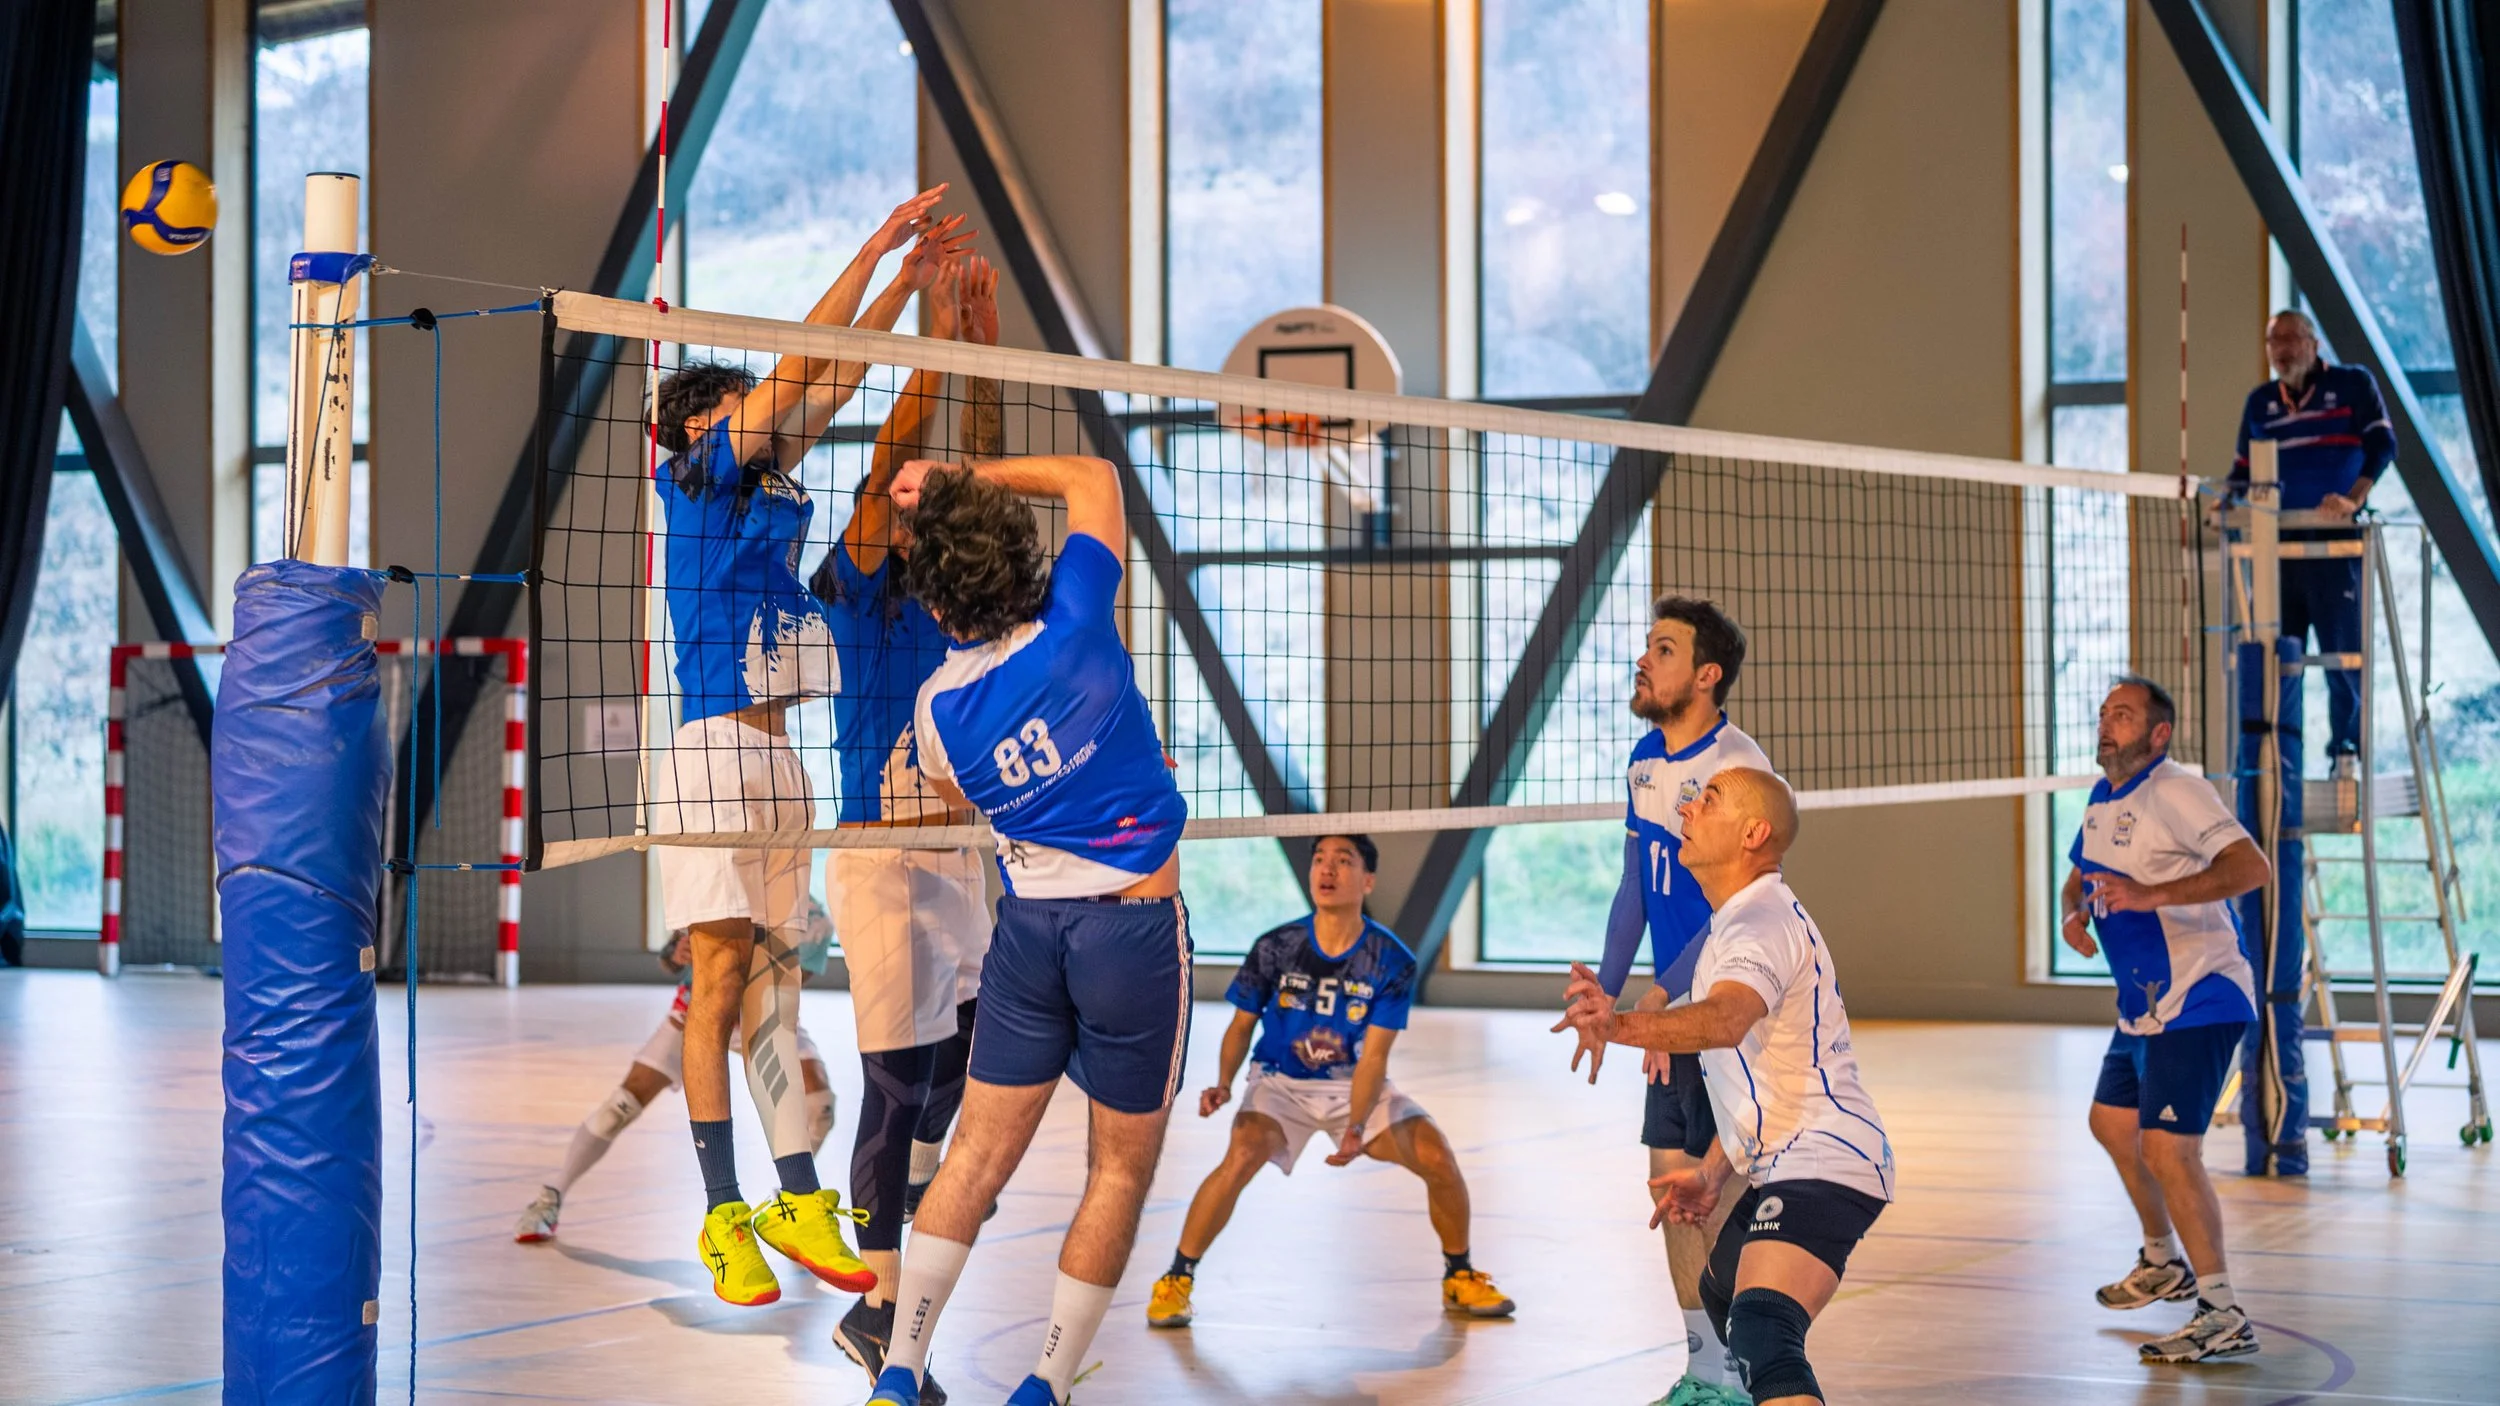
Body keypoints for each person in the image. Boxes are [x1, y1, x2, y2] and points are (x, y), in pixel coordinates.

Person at [649, 184, 972, 1307]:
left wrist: (914, 295)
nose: (775, 415)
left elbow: (834, 373)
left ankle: (797, 1192)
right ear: (700, 424)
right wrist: (879, 244)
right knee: (719, 975)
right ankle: (721, 1209)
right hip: (710, 752)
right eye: (744, 406)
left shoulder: (769, 485)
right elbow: (806, 366)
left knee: (778, 993)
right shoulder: (690, 478)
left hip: (780, 759)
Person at [867, 452, 1192, 1406]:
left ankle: (900, 1371)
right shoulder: (1081, 627)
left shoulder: (939, 708)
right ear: (1027, 564)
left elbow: (953, 790)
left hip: (1029, 935)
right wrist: (959, 477)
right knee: (1119, 1170)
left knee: (970, 1158)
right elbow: (1093, 476)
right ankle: (1045, 1381)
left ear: (936, 607)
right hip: (1131, 934)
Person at [812, 257, 1005, 1402]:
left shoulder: (958, 596)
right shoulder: (856, 584)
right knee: (895, 1083)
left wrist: (978, 346)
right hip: (877, 850)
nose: (911, 499)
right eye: (896, 495)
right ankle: (877, 1309)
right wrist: (932, 348)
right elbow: (895, 468)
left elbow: (964, 477)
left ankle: (884, 1293)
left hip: (962, 852)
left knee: (969, 1071)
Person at [1557, 768, 1893, 1406]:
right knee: (1719, 1292)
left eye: (1708, 800)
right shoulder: (1731, 923)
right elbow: (1760, 1077)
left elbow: (1727, 1018)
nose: (1688, 807)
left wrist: (1619, 1023)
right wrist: (1715, 1172)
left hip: (1826, 1159)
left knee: (1764, 1330)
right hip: (1790, 1155)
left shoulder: (1757, 921)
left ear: (1753, 833)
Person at [1145, 833, 1515, 1330]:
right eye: (1320, 859)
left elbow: (1375, 1057)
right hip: (1280, 1084)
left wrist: (1357, 1125)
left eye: (1343, 861)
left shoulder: (1392, 960)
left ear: (1368, 880)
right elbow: (1240, 1026)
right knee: (1242, 1153)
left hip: (1353, 1085)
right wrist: (1225, 1083)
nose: (1327, 869)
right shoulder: (1276, 947)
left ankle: (1459, 1275)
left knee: (1437, 1156)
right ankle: (1176, 1280)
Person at [1581, 595, 1770, 1406]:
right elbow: (1635, 887)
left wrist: (1660, 1000)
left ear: (1705, 675)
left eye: (1662, 649)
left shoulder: (1737, 772)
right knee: (1670, 1191)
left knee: (1719, 1197)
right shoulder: (1646, 760)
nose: (1642, 660)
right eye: (1645, 647)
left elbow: (1732, 909)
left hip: (1722, 1016)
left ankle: (1754, 1364)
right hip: (1671, 1013)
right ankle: (1706, 1372)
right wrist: (1605, 986)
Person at [2062, 676, 2270, 1364]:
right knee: (2112, 1123)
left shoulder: (2178, 789)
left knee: (2168, 1149)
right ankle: (2162, 1262)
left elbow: (2251, 867)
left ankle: (2221, 1311)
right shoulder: (2102, 798)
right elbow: (2081, 873)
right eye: (2103, 715)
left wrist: (2152, 894)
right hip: (2144, 1008)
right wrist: (2073, 911)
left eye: (2122, 715)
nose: (2106, 724)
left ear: (2159, 734)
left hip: (2203, 994)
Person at [513, 913, 837, 1245]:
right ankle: (553, 1194)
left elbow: (795, 980)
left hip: (763, 1017)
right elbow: (670, 959)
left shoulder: (812, 920)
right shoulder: (726, 890)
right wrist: (678, 953)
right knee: (620, 1107)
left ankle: (795, 1203)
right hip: (695, 1014)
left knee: (820, 1105)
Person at [2227, 308, 2397, 777]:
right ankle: (2279, 760)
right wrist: (2221, 502)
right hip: (2275, 546)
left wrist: (2353, 499)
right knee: (2278, 655)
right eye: (2273, 341)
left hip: (2334, 544)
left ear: (2313, 343)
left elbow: (2383, 446)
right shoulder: (2260, 402)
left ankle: (2345, 753)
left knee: (2343, 654)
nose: (2282, 349)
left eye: (2291, 338)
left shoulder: (2352, 384)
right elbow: (2241, 472)